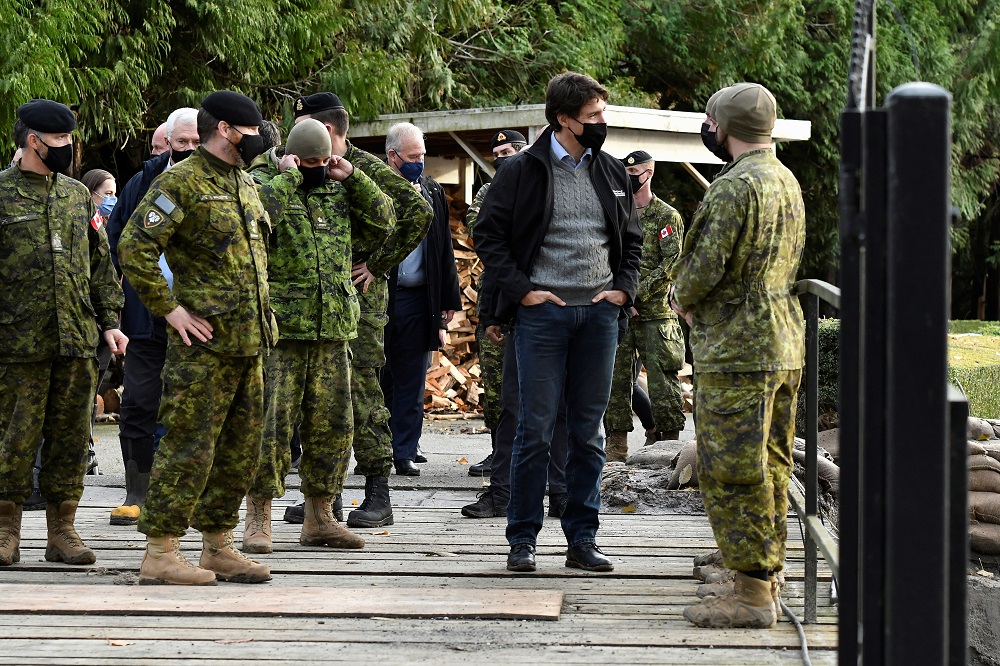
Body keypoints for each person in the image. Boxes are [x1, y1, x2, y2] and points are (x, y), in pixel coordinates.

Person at [118, 90, 293, 586]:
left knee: (241, 450)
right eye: (253, 131)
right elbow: (133, 248)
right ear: (226, 131)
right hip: (204, 349)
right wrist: (171, 311)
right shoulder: (182, 183)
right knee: (189, 447)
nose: (260, 139)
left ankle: (218, 544)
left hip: (251, 342)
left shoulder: (243, 181)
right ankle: (161, 551)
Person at [474, 72, 642, 573]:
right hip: (542, 318)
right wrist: (522, 292)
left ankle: (582, 540)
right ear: (563, 119)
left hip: (598, 318)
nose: (601, 124)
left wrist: (622, 291)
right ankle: (522, 539)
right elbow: (489, 237)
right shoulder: (521, 171)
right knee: (536, 431)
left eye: (602, 115)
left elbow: (631, 243)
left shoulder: (613, 173)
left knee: (588, 434)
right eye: (592, 117)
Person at [669, 83, 805, 629]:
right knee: (771, 465)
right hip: (783, 341)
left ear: (723, 126)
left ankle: (750, 595)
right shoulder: (785, 179)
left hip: (737, 348)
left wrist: (681, 297)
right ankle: (762, 574)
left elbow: (703, 269)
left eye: (710, 120)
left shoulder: (734, 189)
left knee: (732, 471)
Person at [278, 92, 434, 529]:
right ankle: (325, 495)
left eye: (303, 127)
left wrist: (377, 262)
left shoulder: (364, 168)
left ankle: (377, 493)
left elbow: (418, 212)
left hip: (361, 302)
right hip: (316, 303)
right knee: (320, 398)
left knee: (362, 391)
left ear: (326, 130)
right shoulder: (306, 170)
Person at [241, 117, 394, 553]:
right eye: (310, 161)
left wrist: (354, 176)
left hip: (335, 329)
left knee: (334, 428)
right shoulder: (262, 182)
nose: (317, 168)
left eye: (324, 161)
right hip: (283, 332)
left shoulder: (339, 185)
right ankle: (258, 518)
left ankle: (320, 516)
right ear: (290, 156)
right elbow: (255, 222)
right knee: (271, 428)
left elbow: (386, 221)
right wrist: (290, 179)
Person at [0, 99, 127, 567]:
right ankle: (5, 530)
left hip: (76, 340)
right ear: (33, 141)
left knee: (72, 438)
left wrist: (111, 322)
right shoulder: (2, 194)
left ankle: (63, 532)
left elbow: (100, 265)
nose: (68, 149)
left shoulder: (77, 195)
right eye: (60, 141)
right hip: (17, 343)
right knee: (13, 437)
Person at [106, 107, 201, 526]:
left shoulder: (222, 182)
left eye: (197, 143)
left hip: (201, 319)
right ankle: (137, 492)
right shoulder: (142, 183)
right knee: (140, 402)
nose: (190, 150)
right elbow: (114, 246)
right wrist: (115, 306)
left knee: (193, 406)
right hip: (147, 315)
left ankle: (188, 494)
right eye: (182, 144)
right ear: (167, 142)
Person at [381, 122, 462, 477]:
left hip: (419, 299)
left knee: (413, 378)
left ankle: (405, 451)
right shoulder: (373, 189)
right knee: (378, 377)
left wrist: (447, 304)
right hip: (380, 298)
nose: (420, 162)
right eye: (413, 157)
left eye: (422, 156)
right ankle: (375, 448)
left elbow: (444, 249)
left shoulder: (431, 191)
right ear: (392, 156)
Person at [603, 150, 686, 461]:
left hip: (655, 315)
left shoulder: (667, 216)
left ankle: (668, 444)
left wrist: (633, 294)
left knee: (664, 381)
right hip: (620, 311)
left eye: (634, 171)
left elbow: (672, 263)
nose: (629, 176)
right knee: (615, 379)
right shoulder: (617, 211)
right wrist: (621, 296)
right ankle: (616, 447)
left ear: (648, 173)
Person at [465, 129, 527, 477]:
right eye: (498, 153)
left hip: (531, 295)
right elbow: (479, 227)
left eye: (509, 150)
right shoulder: (488, 191)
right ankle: (497, 452)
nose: (502, 157)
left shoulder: (537, 184)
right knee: (494, 378)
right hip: (495, 294)